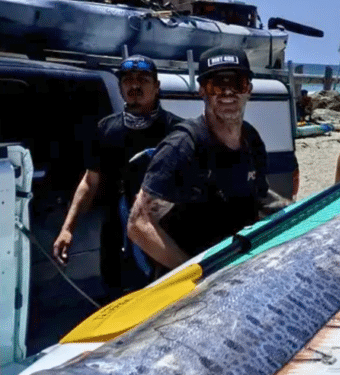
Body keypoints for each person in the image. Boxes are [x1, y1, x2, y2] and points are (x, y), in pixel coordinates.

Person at [127, 47, 290, 271]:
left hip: (238, 264)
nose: (227, 93)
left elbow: (261, 199)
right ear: (202, 91)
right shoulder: (183, 147)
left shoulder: (252, 141)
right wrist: (193, 272)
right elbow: (138, 224)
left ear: (249, 90)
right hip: (198, 275)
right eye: (217, 86)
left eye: (237, 84)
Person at [53, 55, 182, 294]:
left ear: (157, 86)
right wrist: (68, 228)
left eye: (143, 79)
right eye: (128, 80)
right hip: (115, 241)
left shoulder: (177, 131)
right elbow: (90, 182)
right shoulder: (106, 129)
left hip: (162, 237)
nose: (135, 86)